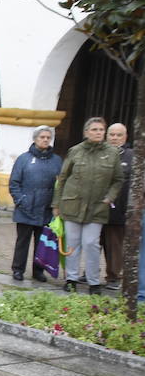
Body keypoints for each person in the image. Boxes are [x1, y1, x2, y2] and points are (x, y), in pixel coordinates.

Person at [53, 116, 124, 295]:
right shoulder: (75, 151)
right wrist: (56, 204)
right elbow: (62, 178)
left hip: (97, 207)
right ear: (86, 132)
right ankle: (71, 279)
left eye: (101, 130)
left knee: (91, 243)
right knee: (73, 244)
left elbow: (118, 180)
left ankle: (93, 282)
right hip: (72, 204)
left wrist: (109, 198)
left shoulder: (112, 153)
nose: (98, 133)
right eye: (94, 129)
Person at [8, 125, 62, 283]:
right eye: (42, 137)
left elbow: (61, 183)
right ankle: (18, 269)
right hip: (26, 208)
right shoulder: (23, 159)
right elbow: (14, 183)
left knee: (42, 243)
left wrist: (55, 205)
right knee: (22, 242)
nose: (45, 140)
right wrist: (21, 200)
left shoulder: (57, 161)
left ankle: (38, 271)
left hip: (45, 209)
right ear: (35, 139)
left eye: (48, 137)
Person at [102, 122, 133, 290]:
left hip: (119, 210)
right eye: (111, 135)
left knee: (114, 245)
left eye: (118, 135)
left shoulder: (131, 156)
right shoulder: (100, 153)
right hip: (97, 208)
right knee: (93, 242)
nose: (114, 138)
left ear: (125, 137)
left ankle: (113, 276)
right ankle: (89, 272)